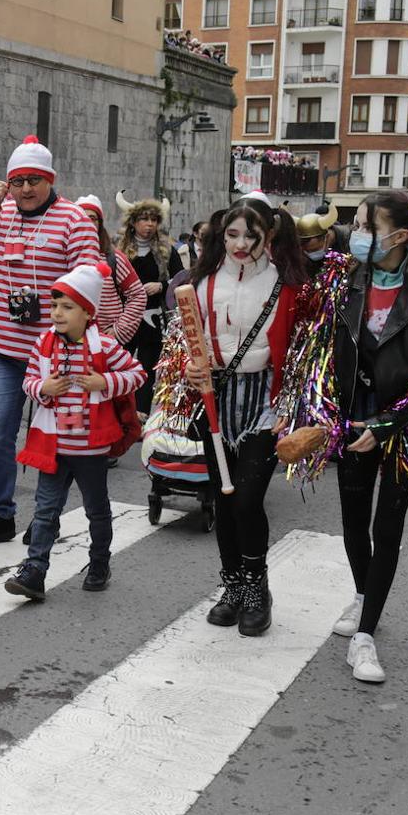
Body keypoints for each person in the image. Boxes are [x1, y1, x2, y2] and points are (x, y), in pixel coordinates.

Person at [281, 192, 408, 682]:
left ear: (400, 237)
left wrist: (388, 425)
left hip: (402, 429)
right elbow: (322, 353)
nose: (358, 234)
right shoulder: (344, 281)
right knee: (352, 522)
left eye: (368, 226)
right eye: (356, 224)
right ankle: (360, 594)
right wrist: (320, 413)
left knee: (386, 530)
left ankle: (365, 636)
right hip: (351, 423)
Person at [162, 195, 306, 637]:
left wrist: (291, 406)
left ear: (271, 234)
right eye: (232, 234)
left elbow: (301, 350)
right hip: (216, 399)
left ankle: (256, 588)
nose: (240, 243)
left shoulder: (289, 285)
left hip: (266, 399)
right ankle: (233, 588)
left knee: (246, 499)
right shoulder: (200, 282)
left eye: (251, 234)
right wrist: (188, 366)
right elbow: (181, 343)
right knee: (223, 502)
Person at [0, 136, 101, 548]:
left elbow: (89, 279)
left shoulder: (73, 219)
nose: (25, 189)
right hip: (4, 347)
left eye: (33, 180)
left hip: (58, 351)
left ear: (49, 180)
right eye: (17, 181)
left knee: (55, 437)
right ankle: (1, 513)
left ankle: (46, 517)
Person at [3, 262, 145, 599]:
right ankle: (34, 570)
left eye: (67, 307)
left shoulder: (105, 347)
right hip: (53, 445)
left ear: (87, 312)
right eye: (54, 306)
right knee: (45, 510)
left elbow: (138, 374)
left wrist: (104, 381)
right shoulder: (43, 344)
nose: (56, 313)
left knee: (97, 510)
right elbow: (28, 382)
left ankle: (99, 562)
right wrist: (43, 388)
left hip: (91, 449)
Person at [115, 191, 183, 416]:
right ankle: (117, 413)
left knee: (146, 369)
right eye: (144, 219)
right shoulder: (117, 249)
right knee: (118, 363)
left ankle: (141, 415)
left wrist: (161, 286)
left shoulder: (167, 250)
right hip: (123, 317)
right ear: (133, 222)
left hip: (153, 318)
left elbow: (181, 279)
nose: (149, 224)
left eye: (153, 220)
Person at [75, 195, 146, 347]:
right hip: (71, 344)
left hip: (107, 345)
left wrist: (118, 330)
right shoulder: (64, 257)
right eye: (82, 217)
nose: (88, 222)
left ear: (100, 223)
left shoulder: (114, 259)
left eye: (92, 218)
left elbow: (138, 295)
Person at [295, 203, 338, 278]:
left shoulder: (348, 245)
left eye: (315, 249)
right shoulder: (301, 256)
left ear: (326, 237)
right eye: (307, 251)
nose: (311, 254)